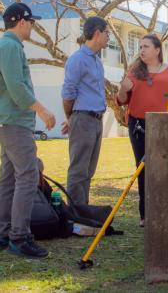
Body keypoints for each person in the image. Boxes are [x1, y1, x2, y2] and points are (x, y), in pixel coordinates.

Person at [0, 2, 56, 258]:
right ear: (21, 21)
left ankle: (3, 234)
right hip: (14, 123)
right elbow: (17, 88)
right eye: (32, 22)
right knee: (27, 176)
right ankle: (19, 237)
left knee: (8, 179)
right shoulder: (10, 47)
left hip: (7, 123)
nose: (34, 27)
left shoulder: (7, 46)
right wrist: (42, 110)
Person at [115, 34, 168, 227]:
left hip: (164, 125)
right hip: (138, 124)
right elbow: (121, 99)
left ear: (157, 50)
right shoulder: (134, 71)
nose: (141, 50)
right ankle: (145, 214)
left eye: (146, 46)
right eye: (140, 47)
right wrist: (123, 89)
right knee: (143, 168)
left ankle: (166, 209)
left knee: (165, 167)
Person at [61, 16, 109, 206]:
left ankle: (83, 210)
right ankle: (75, 214)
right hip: (83, 119)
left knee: (88, 170)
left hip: (96, 120)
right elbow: (68, 93)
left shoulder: (97, 61)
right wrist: (71, 118)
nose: (108, 37)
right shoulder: (77, 60)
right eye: (106, 33)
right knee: (78, 169)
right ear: (97, 33)